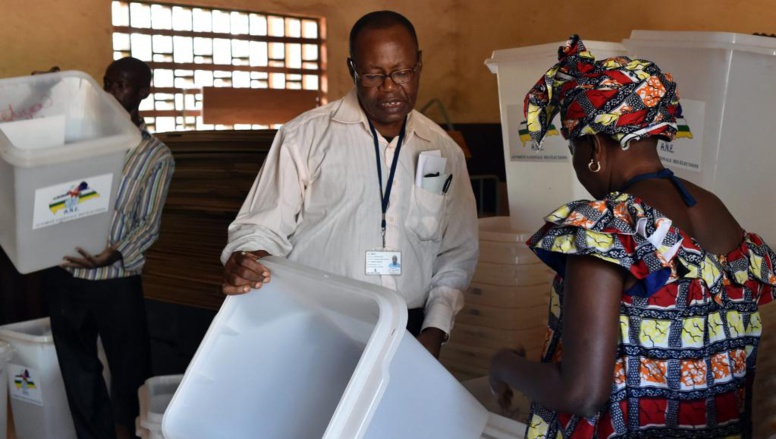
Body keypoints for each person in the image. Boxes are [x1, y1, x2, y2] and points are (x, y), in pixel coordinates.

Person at [488, 35, 776, 438]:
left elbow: (581, 392)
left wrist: (503, 364)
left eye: (574, 148)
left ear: (593, 148)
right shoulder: (718, 213)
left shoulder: (606, 228)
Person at [221, 10, 478, 358]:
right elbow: (259, 229)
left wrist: (435, 328)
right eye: (373, 75)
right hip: (319, 323)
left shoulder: (443, 150)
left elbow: (457, 252)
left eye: (401, 72)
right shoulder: (305, 137)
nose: (389, 87)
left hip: (410, 327)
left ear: (418, 65)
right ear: (352, 69)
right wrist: (247, 258)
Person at [42, 57, 175, 439]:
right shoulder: (82, 145)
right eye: (108, 84)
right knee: (78, 372)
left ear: (144, 92)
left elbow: (148, 224)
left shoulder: (155, 157)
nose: (113, 93)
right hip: (66, 273)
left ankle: (134, 434)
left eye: (123, 85)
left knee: (131, 374)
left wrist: (113, 253)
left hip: (116, 279)